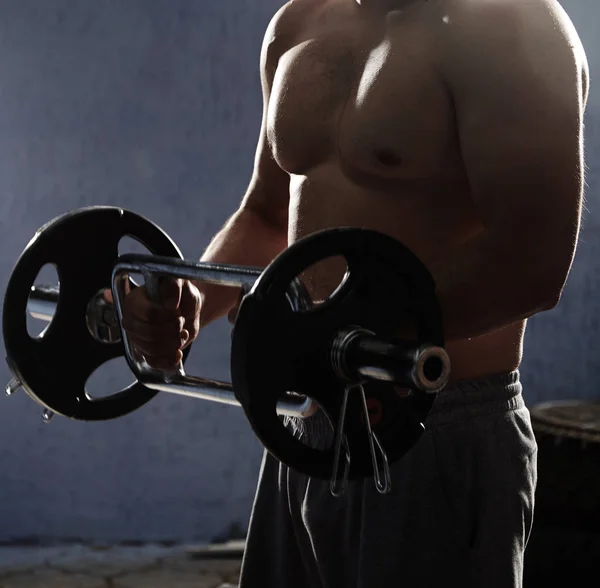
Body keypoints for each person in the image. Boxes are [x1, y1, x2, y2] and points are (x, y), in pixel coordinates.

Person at [121, 0, 589, 585]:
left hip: (433, 428)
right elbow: (267, 216)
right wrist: (194, 298)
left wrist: (355, 340)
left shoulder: (510, 26)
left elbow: (532, 259)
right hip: (308, 420)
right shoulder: (299, 23)